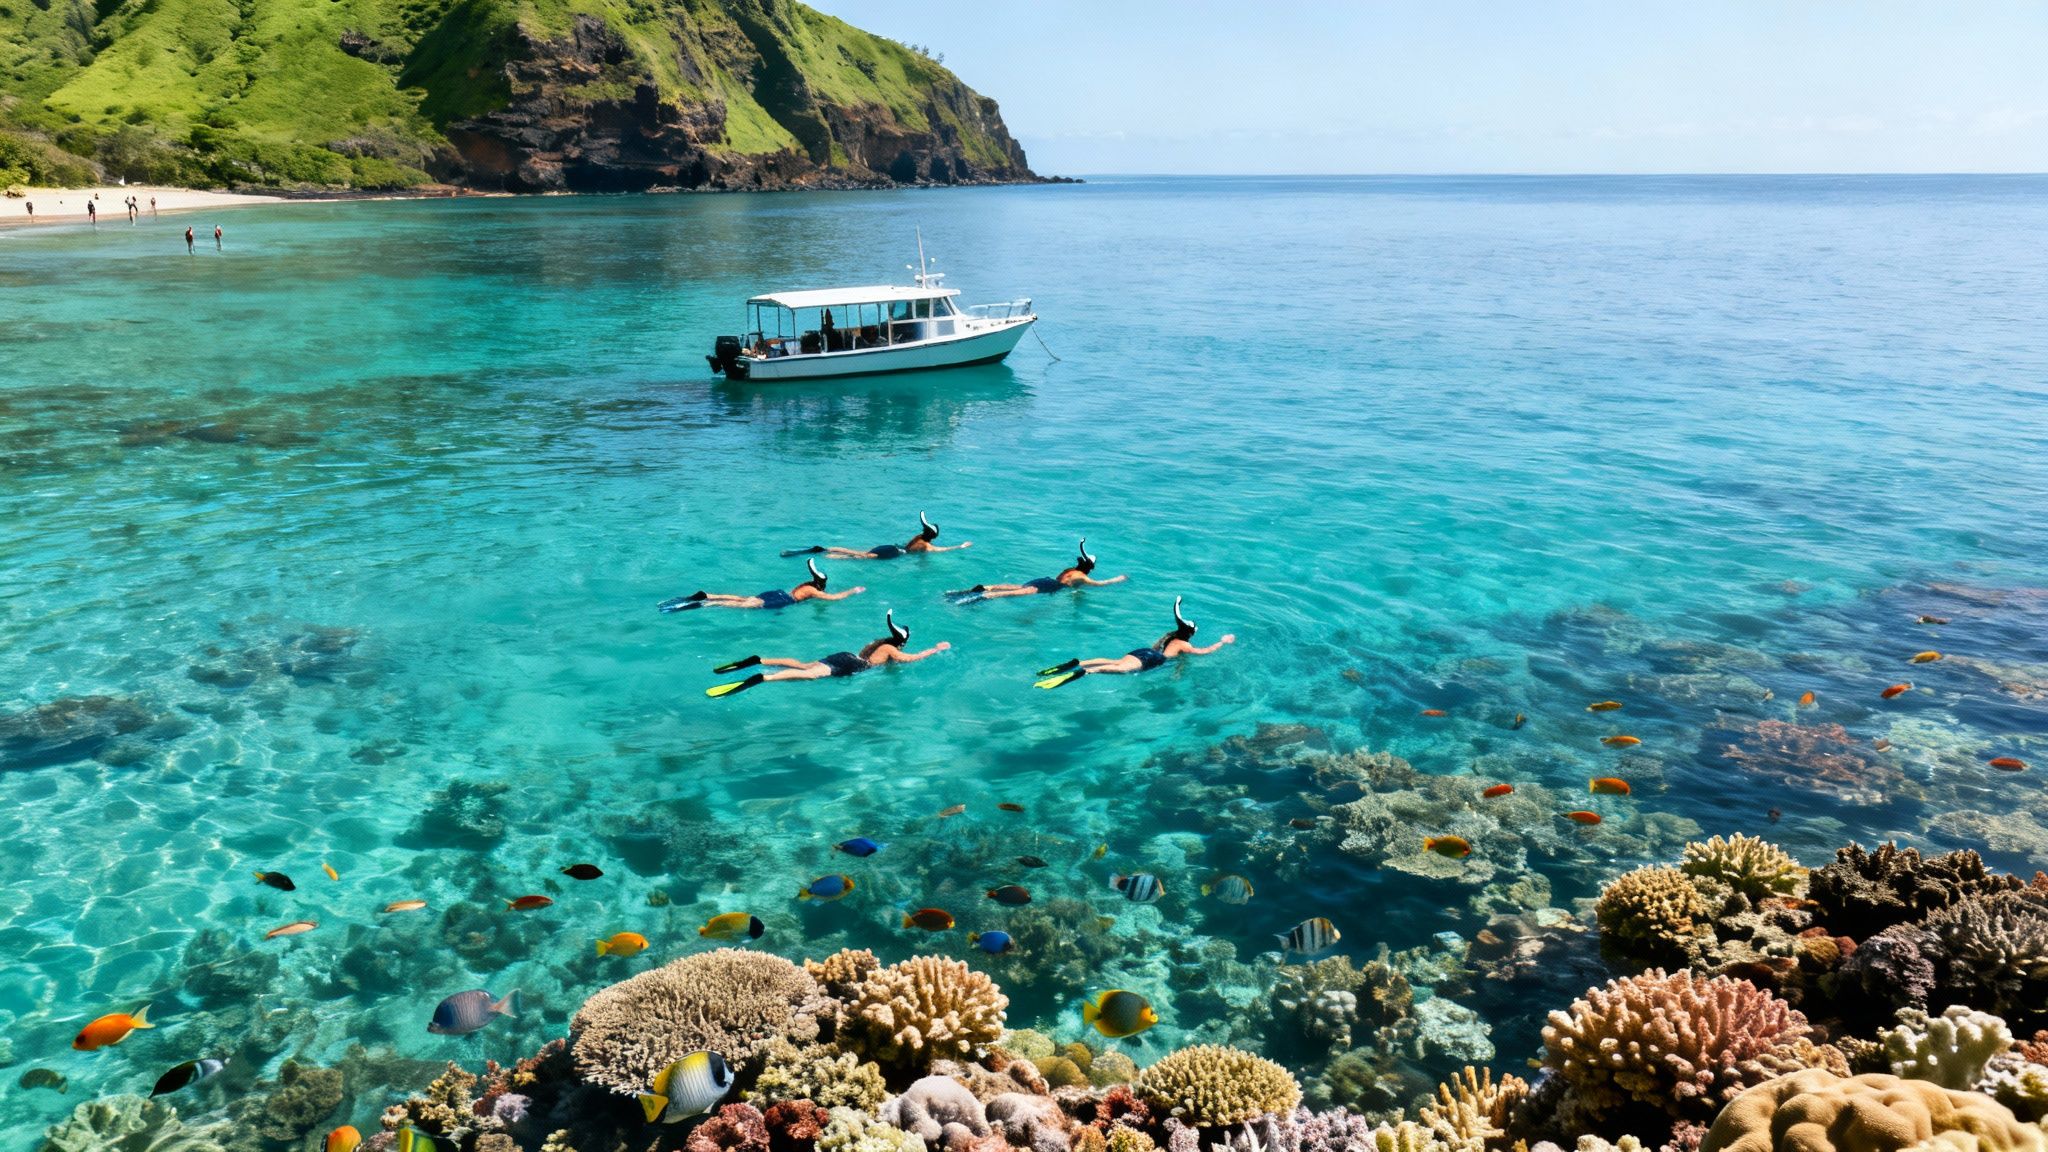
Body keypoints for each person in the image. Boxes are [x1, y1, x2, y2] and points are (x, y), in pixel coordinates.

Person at [706, 611, 948, 697]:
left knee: (803, 665)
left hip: (845, 656)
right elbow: (910, 659)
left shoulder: (879, 642)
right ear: (902, 641)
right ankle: (764, 677)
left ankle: (759, 661)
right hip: (852, 666)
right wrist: (935, 650)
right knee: (811, 674)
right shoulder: (890, 649)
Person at [1034, 598, 1234, 689]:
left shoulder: (1170, 635)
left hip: (1144, 651)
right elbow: (1205, 651)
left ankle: (1079, 663)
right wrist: (1222, 642)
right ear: (1190, 633)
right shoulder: (1184, 644)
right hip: (1154, 659)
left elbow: (1161, 651)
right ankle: (1086, 671)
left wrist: (1177, 670)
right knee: (1121, 669)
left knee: (1115, 661)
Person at [946, 539, 1126, 603]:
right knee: (1020, 592)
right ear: (1090, 568)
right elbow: (1100, 584)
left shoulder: (1070, 570)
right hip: (1048, 587)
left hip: (1043, 580)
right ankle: (980, 598)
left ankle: (982, 588)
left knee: (1013, 587)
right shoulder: (1082, 577)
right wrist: (1117, 579)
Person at [658, 557, 864, 613]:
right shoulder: (812, 590)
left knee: (744, 598)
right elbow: (833, 598)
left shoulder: (806, 584)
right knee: (744, 605)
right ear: (822, 584)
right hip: (783, 601)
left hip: (778, 593)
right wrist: (852, 591)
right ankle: (706, 604)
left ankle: (709, 595)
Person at [782, 511, 972, 560]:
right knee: (861, 557)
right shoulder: (926, 546)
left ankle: (826, 549)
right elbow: (941, 550)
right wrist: (960, 547)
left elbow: (925, 528)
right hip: (894, 555)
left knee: (860, 552)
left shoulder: (918, 537)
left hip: (891, 547)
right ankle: (828, 555)